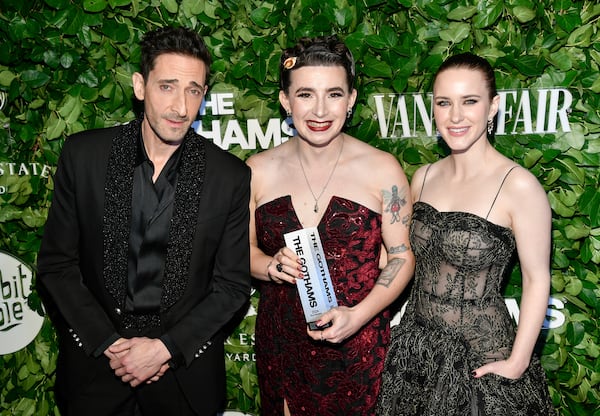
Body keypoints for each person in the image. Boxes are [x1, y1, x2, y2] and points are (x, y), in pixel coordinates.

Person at [36, 26, 251, 416]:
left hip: (184, 381)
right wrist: (108, 343)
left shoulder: (229, 175)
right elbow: (57, 265)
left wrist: (165, 348)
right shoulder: (85, 156)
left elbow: (232, 286)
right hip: (95, 375)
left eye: (193, 90)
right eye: (167, 86)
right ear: (140, 86)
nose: (181, 107)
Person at [376, 52, 556, 415]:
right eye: (444, 103)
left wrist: (518, 362)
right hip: (416, 354)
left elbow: (538, 280)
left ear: (493, 107)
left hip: (483, 359)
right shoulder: (423, 176)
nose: (455, 116)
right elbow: (400, 256)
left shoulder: (519, 186)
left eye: (469, 101)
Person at [246, 35, 415, 416]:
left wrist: (359, 315)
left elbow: (402, 257)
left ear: (351, 100)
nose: (320, 109)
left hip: (359, 345)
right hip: (283, 342)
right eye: (305, 94)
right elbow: (241, 252)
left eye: (334, 94)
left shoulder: (382, 168)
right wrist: (270, 266)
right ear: (285, 100)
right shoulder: (256, 170)